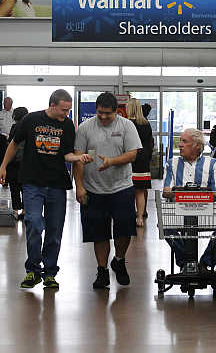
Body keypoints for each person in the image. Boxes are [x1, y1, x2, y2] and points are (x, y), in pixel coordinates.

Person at [0, 89, 92, 289]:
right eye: (63, 110)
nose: (66, 114)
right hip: (32, 182)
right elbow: (13, 144)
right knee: (33, 223)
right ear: (52, 105)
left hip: (57, 184)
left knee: (54, 230)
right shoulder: (31, 120)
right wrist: (3, 167)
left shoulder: (67, 125)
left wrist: (78, 157)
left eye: (69, 110)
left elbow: (67, 154)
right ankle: (32, 270)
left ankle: (49, 272)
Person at [73, 92, 142, 289]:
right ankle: (102, 270)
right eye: (100, 113)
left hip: (121, 188)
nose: (103, 117)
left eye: (107, 114)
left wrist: (111, 161)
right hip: (93, 190)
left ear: (116, 112)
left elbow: (132, 154)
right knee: (99, 233)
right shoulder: (86, 128)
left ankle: (119, 260)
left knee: (124, 230)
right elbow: (78, 159)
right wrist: (79, 187)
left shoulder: (126, 126)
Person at [162, 128, 216, 272]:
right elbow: (166, 191)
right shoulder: (172, 164)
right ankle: (186, 262)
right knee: (164, 225)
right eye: (180, 141)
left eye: (184, 141)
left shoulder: (213, 164)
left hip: (205, 214)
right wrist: (189, 193)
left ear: (197, 146)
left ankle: (205, 262)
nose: (180, 145)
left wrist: (184, 193)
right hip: (179, 214)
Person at [126, 98, 153, 227]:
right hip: (143, 161)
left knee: (127, 191)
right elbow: (150, 143)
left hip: (129, 160)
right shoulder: (146, 124)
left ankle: (129, 216)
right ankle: (140, 218)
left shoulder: (127, 124)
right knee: (140, 191)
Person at [5, 106, 28, 219]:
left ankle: (15, 210)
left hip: (14, 161)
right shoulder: (29, 127)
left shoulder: (15, 127)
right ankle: (25, 210)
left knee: (14, 187)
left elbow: (11, 143)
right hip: (26, 162)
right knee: (25, 187)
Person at [0, 97, 15, 171]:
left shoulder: (15, 113)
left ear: (11, 103)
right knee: (2, 156)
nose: (4, 104)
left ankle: (11, 175)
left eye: (6, 103)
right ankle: (2, 175)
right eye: (4, 102)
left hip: (12, 137)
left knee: (12, 157)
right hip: (2, 137)